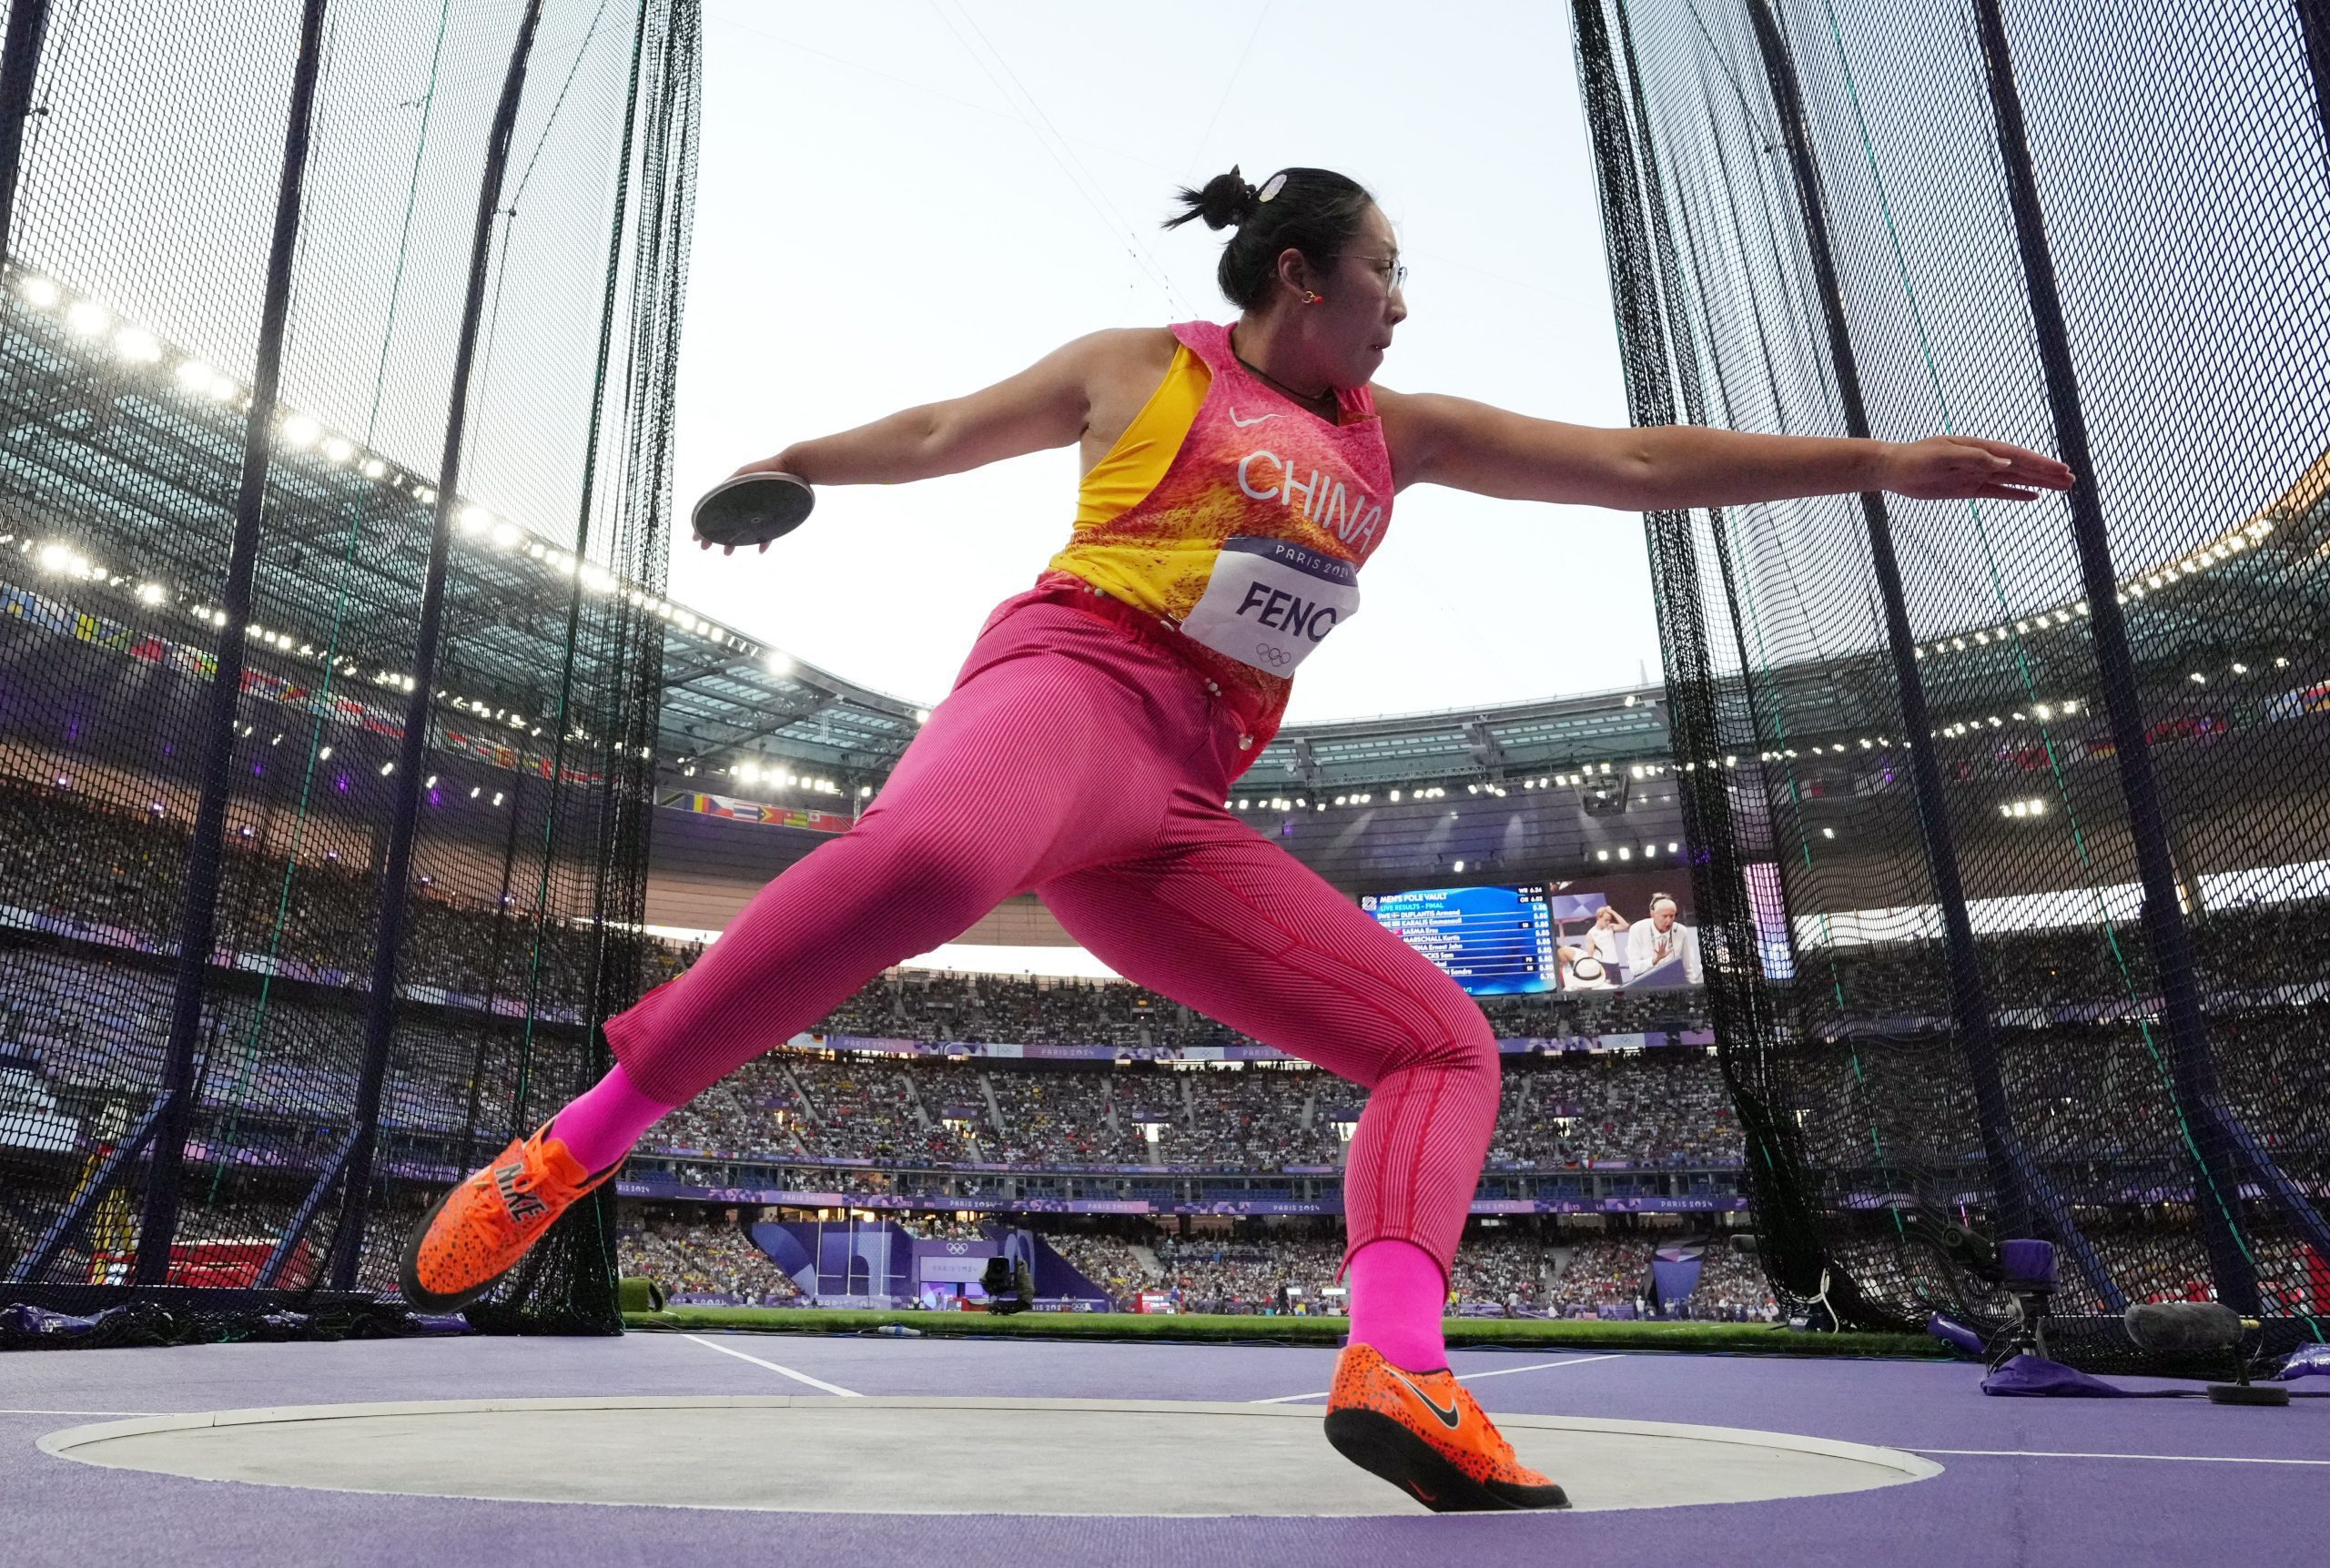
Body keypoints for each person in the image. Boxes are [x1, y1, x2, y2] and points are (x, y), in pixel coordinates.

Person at [400, 164, 2072, 1512]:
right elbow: (934, 433)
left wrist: (1873, 464)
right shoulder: (1142, 367)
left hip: (1179, 801)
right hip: (1067, 691)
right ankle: (577, 1142)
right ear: (1298, 274)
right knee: (926, 863)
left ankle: (1400, 1365)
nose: (1404, 304)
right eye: (1388, 271)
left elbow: (1629, 462)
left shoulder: (1393, 433)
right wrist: (792, 463)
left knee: (1442, 1040)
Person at [1625, 893, 1703, 985]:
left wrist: (1692, 988)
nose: (1669, 921)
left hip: (1673, 984)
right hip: (1647, 985)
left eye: (1672, 916)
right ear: (1653, 914)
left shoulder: (1681, 931)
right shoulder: (1637, 929)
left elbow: (1687, 967)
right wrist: (1654, 960)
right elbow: (1634, 968)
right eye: (1664, 916)